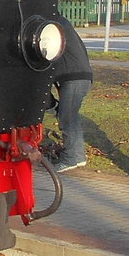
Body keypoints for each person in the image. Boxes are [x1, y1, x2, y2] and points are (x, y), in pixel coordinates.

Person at [49, 13, 92, 171]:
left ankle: (70, 158)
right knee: (70, 116)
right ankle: (78, 156)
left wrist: (51, 105)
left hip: (73, 76)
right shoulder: (60, 21)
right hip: (80, 75)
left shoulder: (50, 24)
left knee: (67, 118)